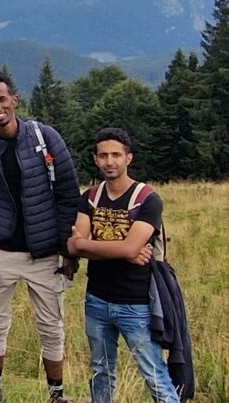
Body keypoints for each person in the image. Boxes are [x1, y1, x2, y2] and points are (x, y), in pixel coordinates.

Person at [0, 70, 81, 403]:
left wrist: (67, 250)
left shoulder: (46, 138)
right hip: (0, 252)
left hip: (44, 252)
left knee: (51, 325)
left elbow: (67, 193)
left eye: (2, 99)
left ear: (15, 99)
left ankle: (56, 394)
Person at [66, 128, 180, 403]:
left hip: (135, 303)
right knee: (100, 371)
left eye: (116, 155)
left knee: (154, 374)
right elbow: (73, 246)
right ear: (95, 159)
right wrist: (123, 250)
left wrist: (89, 245)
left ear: (129, 158)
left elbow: (87, 244)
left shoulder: (147, 199)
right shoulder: (90, 196)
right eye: (103, 155)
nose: (110, 161)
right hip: (96, 299)